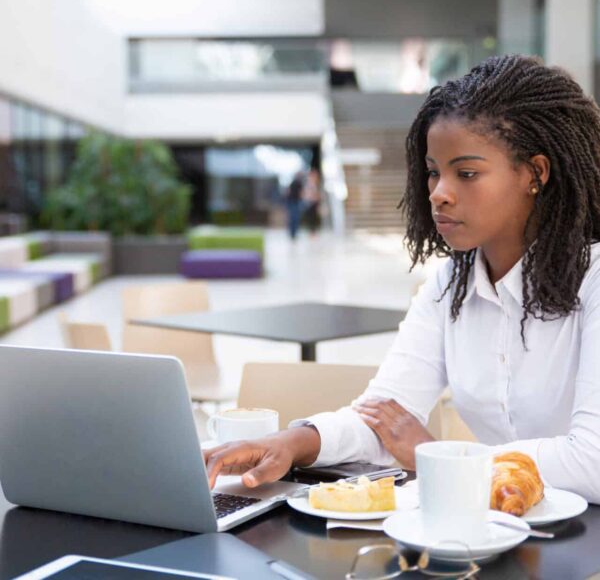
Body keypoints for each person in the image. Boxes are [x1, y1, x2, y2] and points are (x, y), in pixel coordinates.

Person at [204, 54, 600, 504]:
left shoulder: (595, 280)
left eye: (466, 173)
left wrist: (436, 455)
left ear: (536, 173)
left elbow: (593, 461)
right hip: (497, 526)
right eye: (434, 172)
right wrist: (290, 444)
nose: (439, 193)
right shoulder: (451, 284)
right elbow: (384, 418)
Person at [286, 171, 305, 240]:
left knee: (295, 218)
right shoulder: (293, 183)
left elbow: (301, 193)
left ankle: (293, 233)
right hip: (293, 202)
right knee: (293, 218)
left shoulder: (298, 183)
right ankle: (292, 233)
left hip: (295, 202)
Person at [302, 169, 321, 234]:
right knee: (311, 218)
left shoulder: (316, 184)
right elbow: (306, 194)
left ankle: (313, 231)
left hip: (315, 203)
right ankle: (311, 231)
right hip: (310, 203)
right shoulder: (309, 184)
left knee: (314, 217)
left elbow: (318, 194)